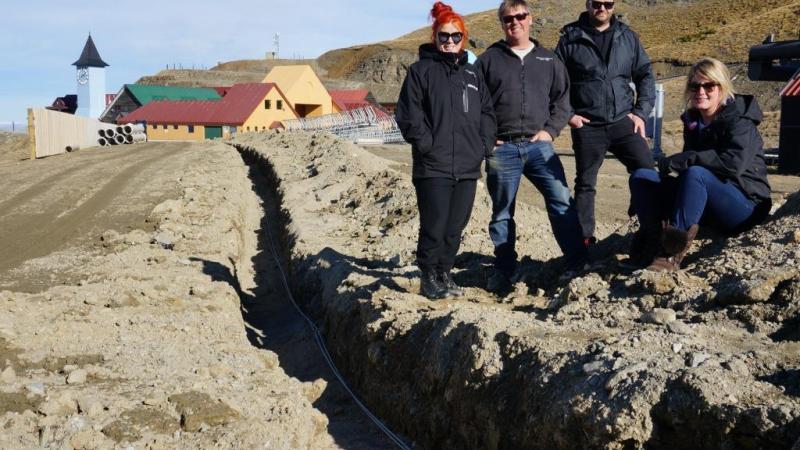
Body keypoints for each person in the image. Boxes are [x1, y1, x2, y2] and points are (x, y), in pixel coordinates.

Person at [476, 0, 587, 293]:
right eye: (508, 18)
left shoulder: (549, 60)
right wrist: (488, 139)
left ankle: (577, 262)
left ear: (530, 19)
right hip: (503, 151)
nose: (515, 22)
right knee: (502, 212)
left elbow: (563, 101)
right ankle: (504, 270)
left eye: (520, 16)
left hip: (540, 148)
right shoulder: (488, 60)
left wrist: (550, 132)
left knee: (562, 201)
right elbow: (475, 106)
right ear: (502, 23)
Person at [628, 57, 772, 271]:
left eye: (709, 85)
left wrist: (686, 159)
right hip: (709, 201)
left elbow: (733, 165)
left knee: (696, 173)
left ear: (722, 87)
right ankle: (652, 241)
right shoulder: (694, 122)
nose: (701, 91)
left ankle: (670, 254)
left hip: (744, 204)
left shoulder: (740, 121)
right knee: (642, 177)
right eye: (695, 85)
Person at [395, 2, 496, 299]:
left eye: (455, 36)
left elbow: (487, 113)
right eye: (443, 36)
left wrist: (483, 145)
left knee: (455, 227)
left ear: (463, 38)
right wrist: (428, 146)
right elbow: (408, 116)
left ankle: (444, 273)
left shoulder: (472, 75)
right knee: (434, 226)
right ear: (434, 38)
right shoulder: (420, 72)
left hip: (467, 165)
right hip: (433, 166)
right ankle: (428, 276)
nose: (449, 41)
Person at [555, 0, 655, 249]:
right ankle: (584, 240)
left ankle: (651, 229)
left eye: (607, 3)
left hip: (623, 120)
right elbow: (555, 82)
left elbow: (645, 75)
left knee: (646, 170)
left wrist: (641, 113)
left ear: (613, 5)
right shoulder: (570, 38)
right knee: (586, 183)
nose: (602, 8)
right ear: (588, 4)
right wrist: (569, 115)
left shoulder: (628, 37)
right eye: (596, 3)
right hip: (587, 125)